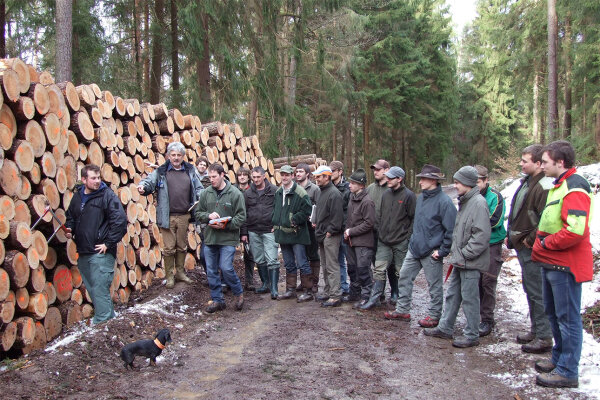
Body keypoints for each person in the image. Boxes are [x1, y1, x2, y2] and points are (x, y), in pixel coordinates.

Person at [532, 140, 593, 389]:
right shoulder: (558, 184)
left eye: (545, 162)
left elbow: (575, 230)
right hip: (552, 263)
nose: (541, 166)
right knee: (554, 315)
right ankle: (559, 360)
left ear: (560, 162)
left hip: (565, 265)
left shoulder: (575, 185)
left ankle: (568, 370)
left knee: (567, 318)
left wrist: (547, 244)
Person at [424, 166, 490, 348]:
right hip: (460, 260)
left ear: (468, 183)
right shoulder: (466, 201)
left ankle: (472, 335)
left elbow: (481, 236)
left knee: (470, 298)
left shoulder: (478, 203)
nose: (455, 185)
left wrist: (464, 254)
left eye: (458, 182)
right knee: (452, 295)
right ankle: (445, 327)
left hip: (470, 261)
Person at [384, 164, 456, 328]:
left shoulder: (444, 202)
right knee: (403, 276)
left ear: (433, 180)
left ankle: (434, 316)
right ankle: (402, 310)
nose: (420, 181)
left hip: (432, 252)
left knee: (434, 286)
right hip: (414, 248)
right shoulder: (422, 197)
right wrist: (412, 240)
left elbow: (451, 229)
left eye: (423, 178)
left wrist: (443, 250)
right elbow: (416, 222)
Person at [65, 164, 127, 324]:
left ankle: (102, 323)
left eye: (99, 177)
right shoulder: (78, 196)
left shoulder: (107, 196)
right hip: (84, 250)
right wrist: (70, 228)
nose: (97, 181)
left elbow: (120, 221)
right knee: (92, 289)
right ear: (84, 179)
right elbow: (70, 215)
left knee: (100, 288)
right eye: (93, 178)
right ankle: (110, 320)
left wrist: (108, 242)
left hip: (101, 251)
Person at [507, 145, 554, 353]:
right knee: (530, 288)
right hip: (523, 246)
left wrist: (530, 239)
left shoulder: (543, 186)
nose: (521, 164)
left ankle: (544, 336)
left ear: (537, 163)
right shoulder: (527, 182)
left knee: (537, 291)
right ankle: (536, 330)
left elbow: (546, 219)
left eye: (525, 160)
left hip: (532, 248)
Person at [138, 142, 203, 288]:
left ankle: (180, 273)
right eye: (173, 155)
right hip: (167, 215)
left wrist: (202, 196)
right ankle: (169, 276)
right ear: (168, 156)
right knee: (169, 248)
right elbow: (149, 181)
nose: (176, 158)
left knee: (181, 246)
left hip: (184, 215)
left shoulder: (190, 170)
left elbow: (199, 187)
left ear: (183, 156)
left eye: (179, 155)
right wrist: (143, 187)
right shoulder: (161, 171)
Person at [361, 166, 415, 310]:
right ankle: (375, 298)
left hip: (400, 242)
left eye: (391, 178)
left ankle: (401, 301)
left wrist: (407, 237)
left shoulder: (409, 196)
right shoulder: (386, 195)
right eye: (388, 177)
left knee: (400, 272)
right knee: (379, 269)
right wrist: (380, 232)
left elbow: (412, 219)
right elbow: (380, 216)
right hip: (383, 240)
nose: (388, 179)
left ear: (400, 179)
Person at [194, 163, 246, 313]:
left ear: (222, 175)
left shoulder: (235, 193)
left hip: (228, 238)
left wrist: (226, 225)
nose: (211, 180)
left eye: (214, 177)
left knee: (226, 267)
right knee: (211, 271)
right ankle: (218, 300)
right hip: (210, 238)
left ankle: (238, 293)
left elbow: (241, 216)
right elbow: (198, 214)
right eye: (209, 177)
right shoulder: (205, 193)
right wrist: (208, 216)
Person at [474, 165, 507, 337]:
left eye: (478, 181)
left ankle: (487, 319)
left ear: (486, 180)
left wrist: (473, 224)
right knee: (475, 280)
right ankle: (477, 316)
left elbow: (494, 220)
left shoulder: (495, 197)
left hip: (492, 244)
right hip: (474, 244)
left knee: (488, 281)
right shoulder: (468, 196)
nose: (475, 185)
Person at [272, 165, 313, 301]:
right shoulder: (278, 192)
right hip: (283, 234)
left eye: (287, 175)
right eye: (282, 174)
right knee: (288, 263)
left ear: (292, 176)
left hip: (297, 233)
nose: (284, 177)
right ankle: (290, 290)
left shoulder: (300, 192)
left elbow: (307, 210)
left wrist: (294, 219)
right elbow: (276, 210)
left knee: (302, 262)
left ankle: (308, 291)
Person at [240, 167, 278, 296]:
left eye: (258, 177)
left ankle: (274, 288)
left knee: (272, 259)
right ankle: (265, 284)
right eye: (254, 177)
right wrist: (244, 233)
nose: (255, 180)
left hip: (269, 230)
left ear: (264, 176)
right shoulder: (248, 193)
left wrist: (276, 225)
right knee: (259, 259)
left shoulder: (274, 190)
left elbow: (279, 210)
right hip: (253, 230)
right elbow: (244, 214)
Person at [366, 159, 398, 304]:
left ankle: (395, 291)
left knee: (391, 265)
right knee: (376, 264)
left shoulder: (392, 188)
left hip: (390, 233)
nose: (375, 172)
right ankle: (379, 293)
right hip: (372, 232)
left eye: (378, 169)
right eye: (374, 169)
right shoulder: (370, 188)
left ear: (387, 170)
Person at [313, 165, 345, 307]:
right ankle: (327, 292)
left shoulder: (334, 194)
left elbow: (338, 217)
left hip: (330, 236)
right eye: (316, 177)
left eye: (319, 177)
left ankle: (335, 295)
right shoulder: (321, 192)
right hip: (321, 235)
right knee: (325, 266)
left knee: (332, 266)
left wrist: (329, 232)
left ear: (327, 177)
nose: (316, 179)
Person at [343, 168, 375, 308]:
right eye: (350, 182)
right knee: (352, 268)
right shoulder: (352, 197)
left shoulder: (367, 201)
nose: (349, 185)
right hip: (350, 241)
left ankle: (367, 296)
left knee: (363, 270)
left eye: (353, 183)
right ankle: (354, 293)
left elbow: (369, 223)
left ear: (361, 185)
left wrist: (351, 231)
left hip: (363, 242)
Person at [295, 163, 321, 293]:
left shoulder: (314, 189)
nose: (298, 174)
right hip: (298, 228)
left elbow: (318, 208)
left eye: (301, 171)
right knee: (301, 256)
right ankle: (304, 281)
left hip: (311, 228)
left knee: (313, 255)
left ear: (307, 174)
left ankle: (314, 282)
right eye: (297, 172)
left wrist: (314, 222)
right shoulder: (293, 188)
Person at [330, 161, 351, 298]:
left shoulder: (348, 187)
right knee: (336, 261)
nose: (330, 174)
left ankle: (348, 287)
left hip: (345, 229)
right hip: (333, 229)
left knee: (349, 260)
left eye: (333, 171)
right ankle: (340, 286)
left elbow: (350, 210)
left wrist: (347, 228)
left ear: (340, 171)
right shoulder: (328, 187)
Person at [235, 167, 255, 290]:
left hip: (250, 225)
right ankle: (228, 281)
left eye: (244, 175)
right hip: (234, 226)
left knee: (249, 254)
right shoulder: (232, 190)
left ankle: (249, 280)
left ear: (248, 177)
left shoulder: (253, 190)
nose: (242, 177)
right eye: (239, 175)